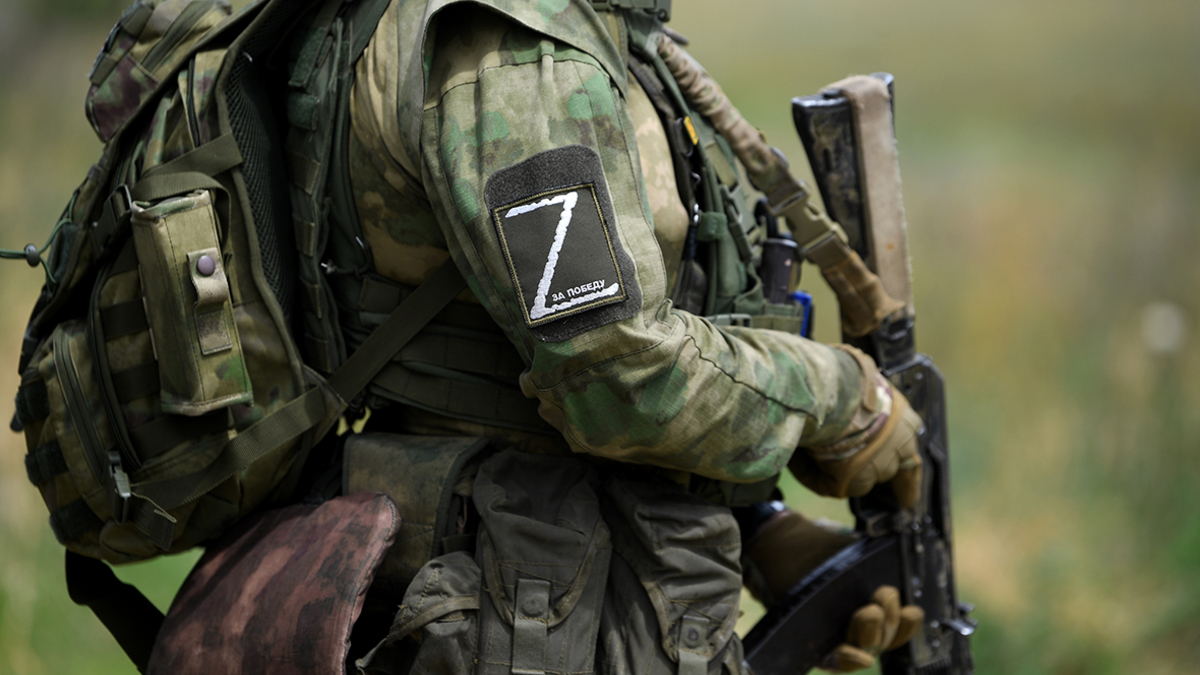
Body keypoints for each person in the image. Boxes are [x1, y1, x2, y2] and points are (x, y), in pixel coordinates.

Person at [329, 0, 924, 672]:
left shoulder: (599, 28)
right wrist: (845, 399)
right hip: (524, 606)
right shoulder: (521, 49)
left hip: (563, 582)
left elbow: (494, 349)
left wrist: (758, 526)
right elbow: (617, 378)